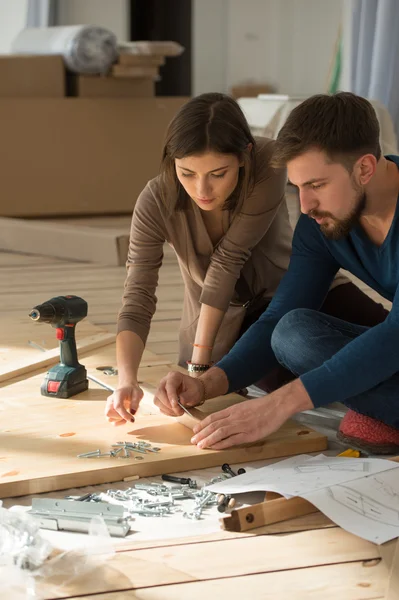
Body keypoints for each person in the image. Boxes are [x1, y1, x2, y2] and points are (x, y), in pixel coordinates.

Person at [105, 92, 389, 433]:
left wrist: (278, 405)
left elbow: (395, 335)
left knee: (375, 342)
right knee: (291, 333)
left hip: (347, 312)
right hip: (253, 319)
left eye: (316, 184)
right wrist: (201, 383)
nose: (305, 205)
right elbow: (278, 319)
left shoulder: (268, 172)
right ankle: (381, 404)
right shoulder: (316, 224)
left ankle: (382, 408)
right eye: (298, 187)